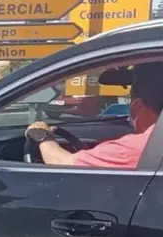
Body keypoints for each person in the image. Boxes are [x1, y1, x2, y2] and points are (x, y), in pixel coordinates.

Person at [26, 63, 163, 169]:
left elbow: (62, 163)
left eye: (130, 100)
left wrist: (42, 135)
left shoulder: (138, 148)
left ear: (137, 106)